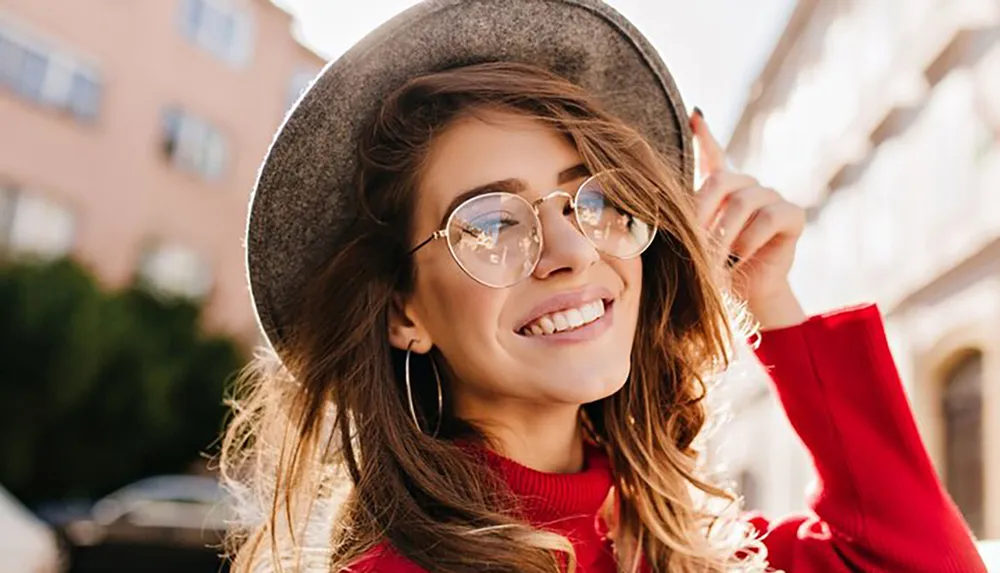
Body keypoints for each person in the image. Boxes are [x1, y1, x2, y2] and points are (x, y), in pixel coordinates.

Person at [221, 1, 987, 572]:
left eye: (593, 197)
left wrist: (771, 301)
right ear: (404, 312)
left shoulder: (685, 546)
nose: (569, 251)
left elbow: (917, 558)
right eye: (489, 224)